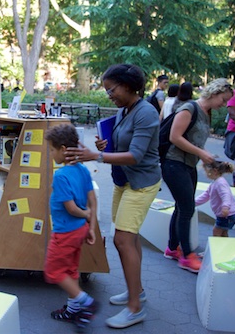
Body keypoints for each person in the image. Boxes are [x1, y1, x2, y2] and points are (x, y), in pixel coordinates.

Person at [65, 64, 161, 329]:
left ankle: (134, 309)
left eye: (112, 89)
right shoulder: (124, 111)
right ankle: (136, 292)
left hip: (141, 183)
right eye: (107, 90)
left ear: (129, 85)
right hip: (124, 181)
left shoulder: (146, 112)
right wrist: (103, 146)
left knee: (123, 239)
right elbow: (121, 145)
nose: (109, 94)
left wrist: (95, 156)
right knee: (128, 238)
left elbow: (136, 155)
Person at [163, 78, 234, 273]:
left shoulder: (206, 113)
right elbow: (174, 137)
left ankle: (172, 248)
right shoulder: (189, 108)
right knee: (187, 209)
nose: (224, 105)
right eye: (223, 99)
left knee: (182, 206)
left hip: (188, 164)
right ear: (214, 93)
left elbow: (195, 142)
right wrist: (201, 153)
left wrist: (205, 158)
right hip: (173, 163)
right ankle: (187, 256)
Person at [43, 124, 98, 332]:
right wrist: (91, 227)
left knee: (53, 271)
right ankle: (74, 310)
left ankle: (86, 302)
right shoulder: (82, 170)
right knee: (71, 269)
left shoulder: (61, 175)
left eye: (52, 149)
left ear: (63, 150)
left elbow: (72, 208)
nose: (51, 153)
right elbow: (93, 201)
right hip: (80, 231)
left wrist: (85, 215)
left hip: (65, 233)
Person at [195, 161, 235, 237]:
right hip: (227, 215)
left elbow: (226, 194)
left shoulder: (220, 183)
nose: (206, 174)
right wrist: (193, 202)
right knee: (223, 232)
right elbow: (206, 195)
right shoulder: (215, 183)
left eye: (207, 172)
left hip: (226, 215)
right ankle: (224, 246)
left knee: (216, 232)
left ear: (215, 171)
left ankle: (218, 247)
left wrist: (225, 207)